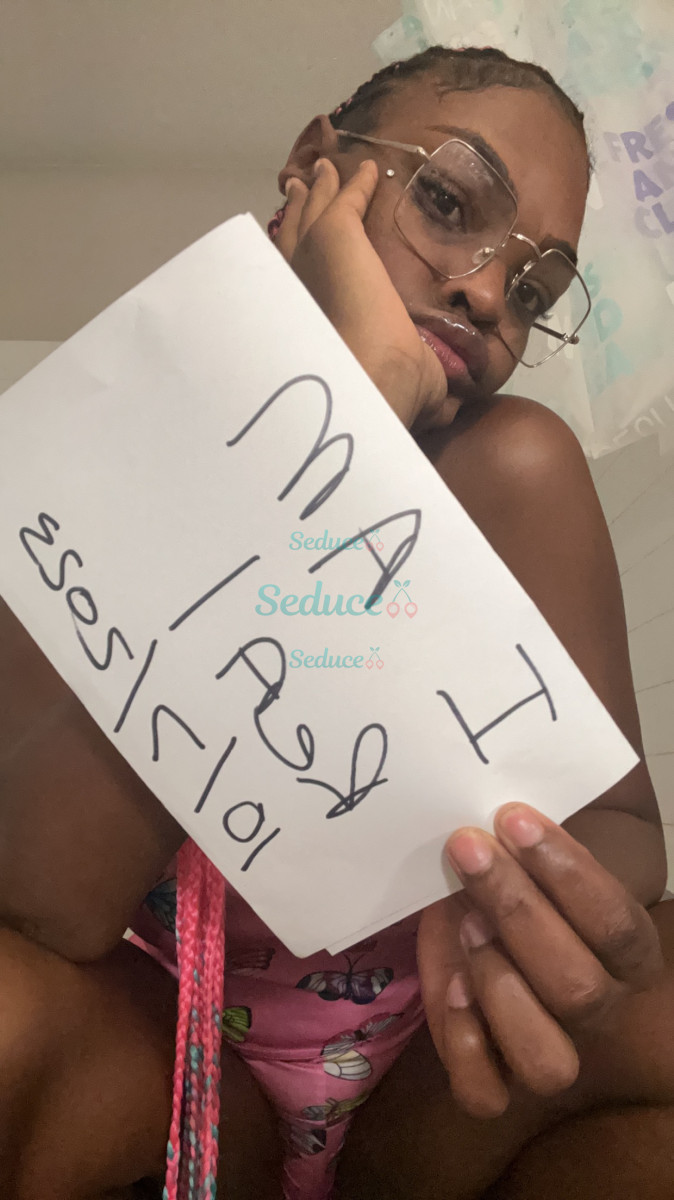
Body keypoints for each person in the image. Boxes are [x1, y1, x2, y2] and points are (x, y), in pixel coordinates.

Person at [0, 44, 673, 1200]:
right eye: (447, 203)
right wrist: (342, 421)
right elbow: (41, 897)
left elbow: (621, 829)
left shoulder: (513, 468)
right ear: (314, 162)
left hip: (433, 1078)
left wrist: (519, 907)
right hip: (160, 1054)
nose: (485, 297)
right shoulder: (95, 441)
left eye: (531, 292)